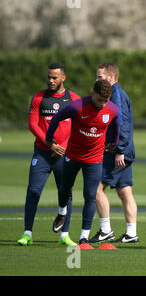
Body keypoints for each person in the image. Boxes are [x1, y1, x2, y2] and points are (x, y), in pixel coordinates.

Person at [46, 79, 120, 245]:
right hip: (72, 156)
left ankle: (83, 237)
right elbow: (56, 118)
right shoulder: (77, 106)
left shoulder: (113, 110)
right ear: (93, 93)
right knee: (65, 189)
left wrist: (113, 143)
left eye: (105, 101)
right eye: (99, 99)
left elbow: (117, 125)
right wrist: (50, 141)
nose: (102, 104)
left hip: (94, 159)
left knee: (90, 196)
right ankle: (62, 211)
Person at [17, 63, 80, 246]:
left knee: (66, 193)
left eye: (54, 78)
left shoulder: (74, 99)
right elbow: (33, 125)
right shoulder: (39, 97)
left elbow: (78, 127)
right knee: (34, 191)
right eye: (49, 77)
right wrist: (50, 144)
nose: (50, 81)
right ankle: (27, 233)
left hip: (64, 156)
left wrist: (65, 147)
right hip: (43, 153)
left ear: (63, 78)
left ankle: (65, 236)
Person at [89, 63, 138, 244]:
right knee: (124, 191)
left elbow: (122, 124)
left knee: (95, 188)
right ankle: (131, 233)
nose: (97, 80)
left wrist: (120, 151)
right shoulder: (115, 93)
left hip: (117, 152)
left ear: (110, 78)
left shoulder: (115, 94)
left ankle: (105, 230)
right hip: (122, 151)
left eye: (100, 77)